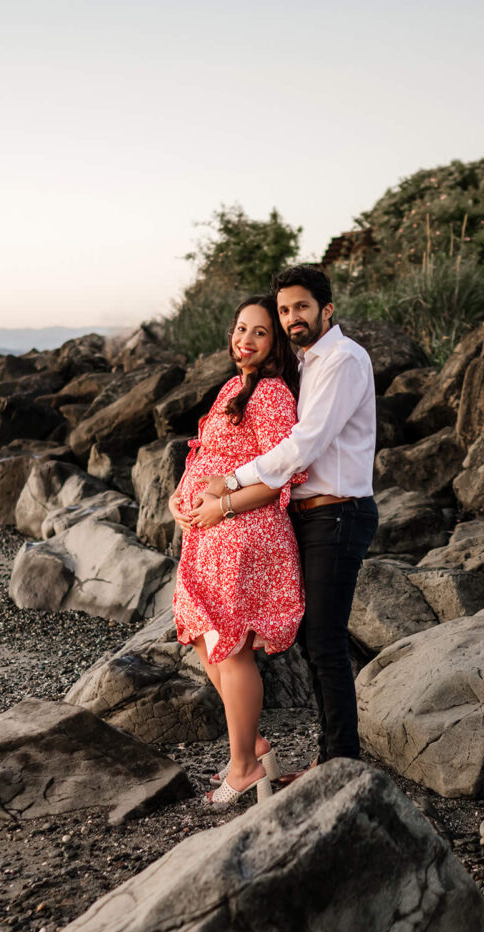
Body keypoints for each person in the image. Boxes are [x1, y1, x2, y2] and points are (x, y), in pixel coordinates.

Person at [196, 266, 378, 776]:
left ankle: (342, 761)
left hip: (337, 513)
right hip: (309, 515)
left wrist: (230, 485)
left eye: (301, 307)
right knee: (313, 640)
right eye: (284, 310)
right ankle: (329, 755)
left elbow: (303, 446)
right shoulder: (303, 365)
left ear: (327, 309)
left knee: (324, 641)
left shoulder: (341, 360)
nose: (291, 318)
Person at [168, 295, 307, 806]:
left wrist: (221, 507)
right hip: (207, 532)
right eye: (240, 329)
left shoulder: (271, 394)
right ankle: (254, 745)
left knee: (230, 648)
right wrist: (176, 500)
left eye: (260, 333)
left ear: (275, 346)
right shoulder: (234, 386)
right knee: (208, 642)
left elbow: (277, 476)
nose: (244, 341)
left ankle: (244, 767)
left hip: (244, 533)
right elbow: (202, 456)